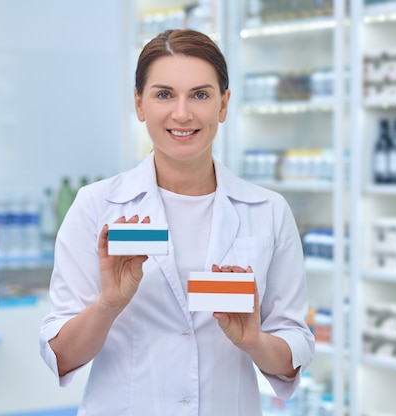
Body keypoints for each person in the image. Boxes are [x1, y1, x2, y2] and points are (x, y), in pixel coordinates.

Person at [39, 28, 314, 416]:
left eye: (200, 95)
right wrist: (108, 303)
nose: (182, 113)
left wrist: (253, 341)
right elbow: (61, 356)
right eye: (164, 94)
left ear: (223, 105)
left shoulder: (267, 210)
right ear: (139, 104)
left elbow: (294, 349)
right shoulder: (96, 206)